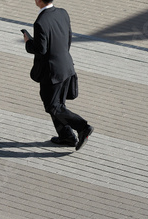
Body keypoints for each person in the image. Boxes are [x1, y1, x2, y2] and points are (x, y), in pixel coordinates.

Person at [23, 0, 93, 151]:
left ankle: (83, 127)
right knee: (58, 106)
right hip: (66, 67)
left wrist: (28, 42)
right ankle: (66, 136)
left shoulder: (41, 22)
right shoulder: (62, 13)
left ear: (39, 0)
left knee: (53, 106)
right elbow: (68, 39)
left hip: (52, 73)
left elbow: (41, 50)